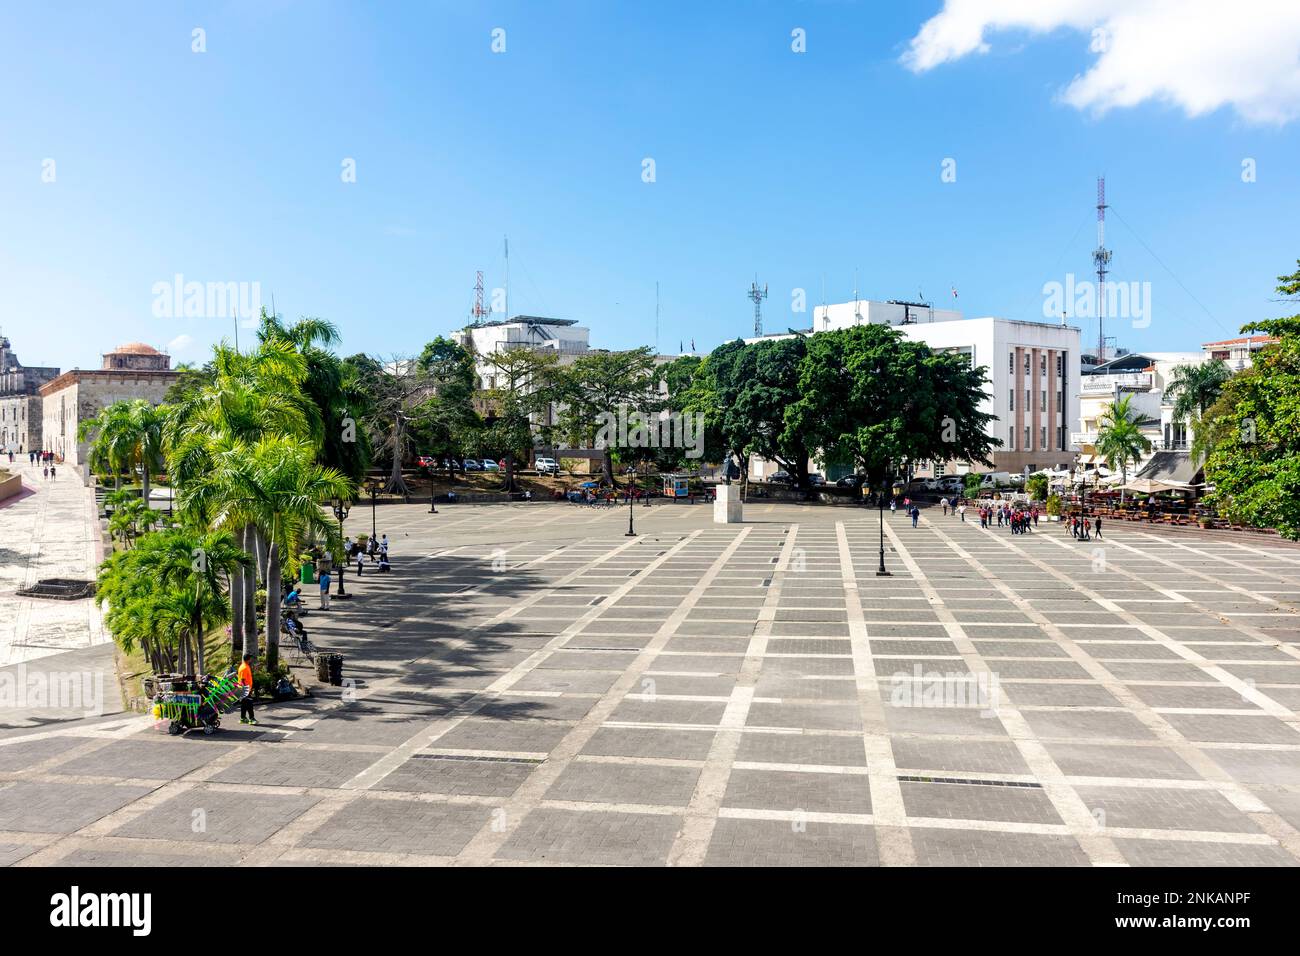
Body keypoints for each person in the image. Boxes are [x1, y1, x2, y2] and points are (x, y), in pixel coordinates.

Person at [237, 653, 257, 725]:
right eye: (250, 658)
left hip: (245, 689)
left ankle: (243, 718)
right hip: (244, 689)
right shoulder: (244, 668)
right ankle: (251, 719)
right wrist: (246, 691)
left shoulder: (245, 666)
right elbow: (242, 680)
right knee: (249, 704)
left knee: (244, 704)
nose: (251, 659)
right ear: (248, 659)